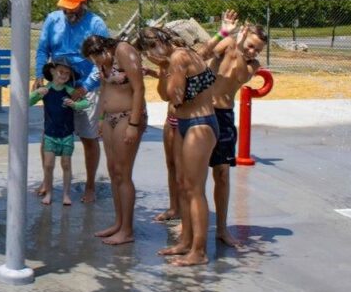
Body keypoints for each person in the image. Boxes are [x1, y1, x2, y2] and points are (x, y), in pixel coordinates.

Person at [137, 26, 217, 266]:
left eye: (150, 48)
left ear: (161, 41)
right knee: (183, 185)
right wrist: (163, 69)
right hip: (184, 123)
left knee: (194, 190)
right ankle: (185, 241)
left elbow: (174, 95)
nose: (150, 54)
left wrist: (165, 68)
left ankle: (199, 251)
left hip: (199, 124)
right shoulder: (174, 59)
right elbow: (166, 95)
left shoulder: (180, 56)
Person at [198, 10, 268, 247]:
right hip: (203, 112)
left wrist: (240, 50)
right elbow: (204, 54)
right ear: (243, 35)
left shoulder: (253, 65)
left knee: (222, 173)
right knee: (195, 173)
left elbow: (239, 76)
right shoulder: (228, 43)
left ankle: (221, 228)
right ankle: (189, 223)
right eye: (250, 46)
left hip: (224, 117)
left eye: (257, 50)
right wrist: (223, 33)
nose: (253, 52)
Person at [34, 0, 110, 203]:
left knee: (88, 137)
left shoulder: (96, 24)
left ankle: (90, 186)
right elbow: (42, 49)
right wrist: (40, 74)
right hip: (57, 85)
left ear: (83, 2)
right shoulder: (52, 20)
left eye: (73, 7)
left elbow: (102, 63)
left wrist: (85, 87)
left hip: (87, 87)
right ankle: (47, 181)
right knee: (49, 134)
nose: (68, 11)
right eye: (65, 6)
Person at [82, 34, 147, 245]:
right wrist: (100, 117)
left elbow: (139, 88)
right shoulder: (103, 63)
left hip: (127, 117)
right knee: (113, 171)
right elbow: (104, 90)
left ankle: (127, 230)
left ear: (105, 49)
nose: (95, 63)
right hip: (109, 118)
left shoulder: (123, 51)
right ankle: (119, 223)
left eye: (96, 58)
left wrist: (134, 125)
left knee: (123, 172)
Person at [29, 57, 88, 206]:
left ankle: (66, 194)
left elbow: (86, 102)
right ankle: (48, 192)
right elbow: (27, 102)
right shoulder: (46, 90)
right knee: (48, 165)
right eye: (61, 72)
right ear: (52, 71)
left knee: (66, 164)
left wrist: (75, 104)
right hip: (50, 134)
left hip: (67, 134)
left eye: (67, 74)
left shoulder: (69, 91)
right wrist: (37, 93)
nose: (64, 75)